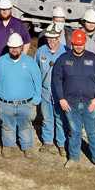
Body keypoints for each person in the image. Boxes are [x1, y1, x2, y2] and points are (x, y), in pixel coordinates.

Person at [52, 29, 95, 172]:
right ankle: (74, 157)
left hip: (90, 103)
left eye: (81, 44)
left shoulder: (93, 59)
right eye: (76, 44)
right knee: (75, 131)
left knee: (92, 132)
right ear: (72, 43)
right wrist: (61, 99)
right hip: (71, 103)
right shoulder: (63, 59)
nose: (79, 47)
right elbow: (57, 80)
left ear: (85, 43)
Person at [0, 33, 42, 159]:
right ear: (8, 47)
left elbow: (37, 80)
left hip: (26, 104)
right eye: (12, 47)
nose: (14, 49)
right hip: (5, 103)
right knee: (7, 126)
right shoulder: (0, 62)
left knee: (25, 126)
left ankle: (27, 146)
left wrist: (37, 98)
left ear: (22, 46)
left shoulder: (30, 62)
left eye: (17, 47)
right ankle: (7, 145)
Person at [35, 23, 68, 155]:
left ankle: (62, 143)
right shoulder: (40, 51)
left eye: (54, 38)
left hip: (60, 93)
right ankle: (47, 141)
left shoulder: (66, 51)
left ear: (59, 37)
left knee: (60, 118)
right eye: (49, 38)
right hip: (45, 92)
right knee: (46, 117)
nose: (51, 41)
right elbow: (36, 72)